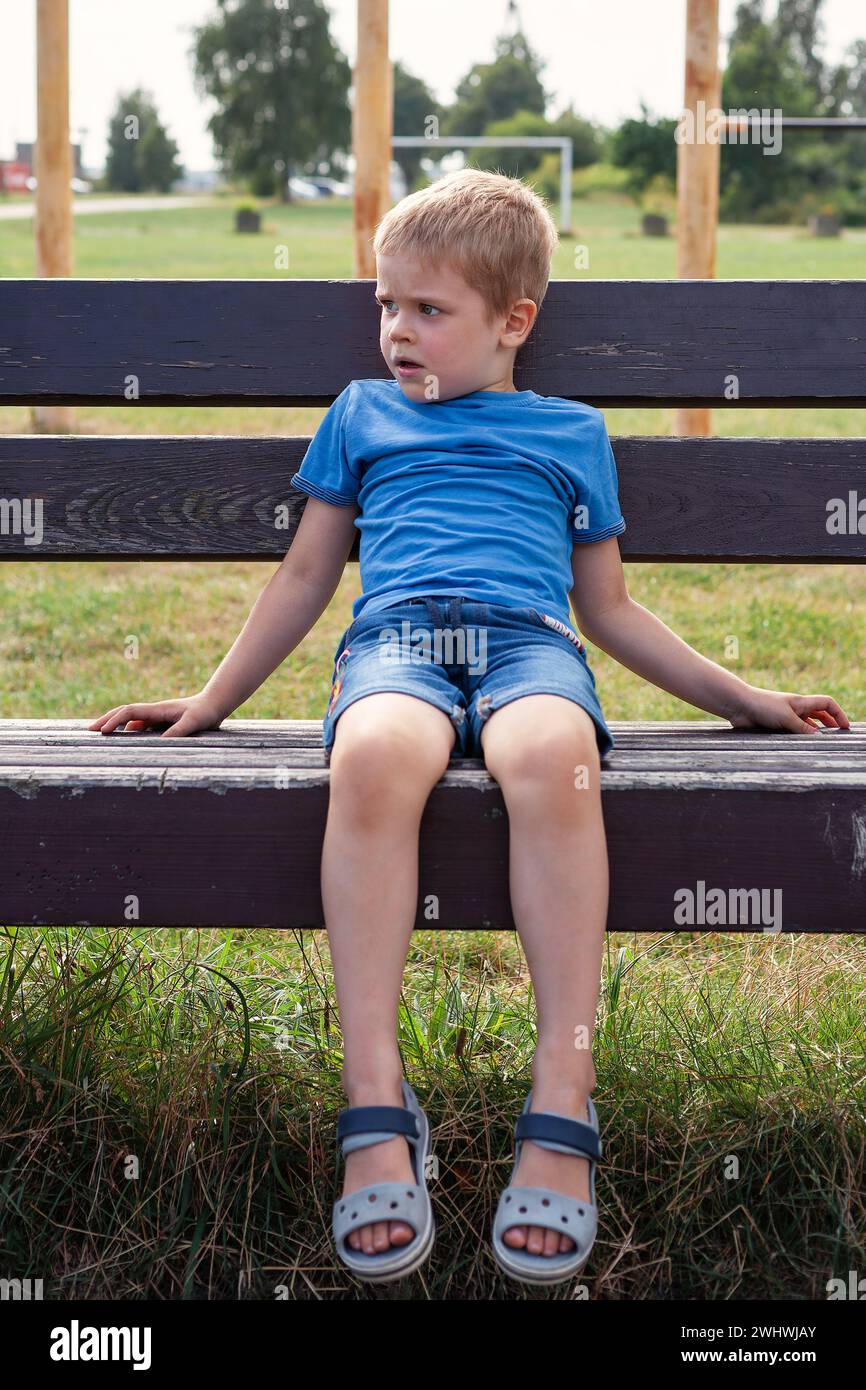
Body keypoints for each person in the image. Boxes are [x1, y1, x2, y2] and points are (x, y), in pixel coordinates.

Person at [88, 169, 850, 1286]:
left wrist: (744, 701)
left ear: (513, 322)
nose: (398, 329)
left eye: (428, 310)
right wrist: (210, 704)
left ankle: (559, 1094)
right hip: (394, 645)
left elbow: (610, 610)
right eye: (386, 305)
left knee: (554, 756)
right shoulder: (362, 414)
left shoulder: (570, 432)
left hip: (529, 644)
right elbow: (304, 576)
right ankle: (374, 1099)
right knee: (372, 754)